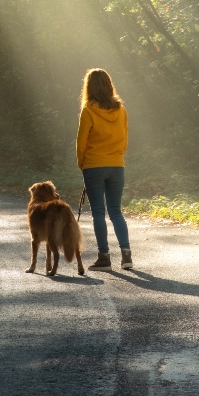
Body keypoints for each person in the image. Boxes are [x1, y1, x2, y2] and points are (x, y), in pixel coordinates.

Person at [76, 68, 133, 271]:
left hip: (94, 165)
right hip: (117, 165)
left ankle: (104, 257)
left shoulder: (88, 110)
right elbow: (125, 140)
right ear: (109, 85)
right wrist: (117, 155)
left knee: (98, 213)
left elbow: (81, 142)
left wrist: (82, 163)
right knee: (116, 211)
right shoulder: (122, 110)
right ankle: (126, 256)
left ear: (89, 87)